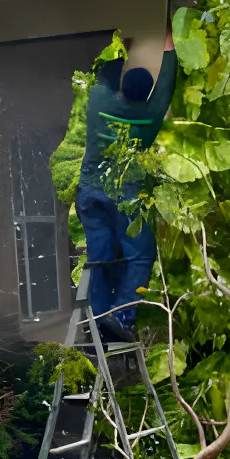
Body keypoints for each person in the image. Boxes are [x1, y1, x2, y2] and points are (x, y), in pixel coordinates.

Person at [77, 23, 178, 344]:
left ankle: (96, 320)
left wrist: (121, 46)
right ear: (145, 94)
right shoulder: (150, 114)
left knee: (99, 259)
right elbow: (167, 84)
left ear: (122, 87)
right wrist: (170, 47)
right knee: (139, 257)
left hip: (91, 191)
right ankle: (120, 316)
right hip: (126, 196)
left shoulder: (99, 101)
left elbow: (104, 77)